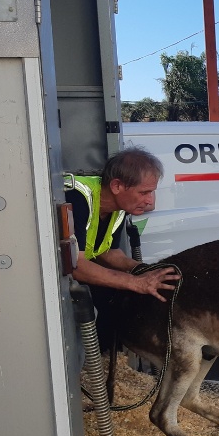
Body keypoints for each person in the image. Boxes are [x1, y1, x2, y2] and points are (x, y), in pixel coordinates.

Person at [65, 147, 181, 350]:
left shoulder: (118, 207)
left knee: (116, 304)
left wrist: (142, 270)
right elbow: (76, 265)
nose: (150, 201)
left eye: (151, 192)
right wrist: (134, 282)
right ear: (117, 186)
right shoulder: (79, 198)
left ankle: (108, 363)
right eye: (144, 192)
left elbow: (107, 251)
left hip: (78, 270)